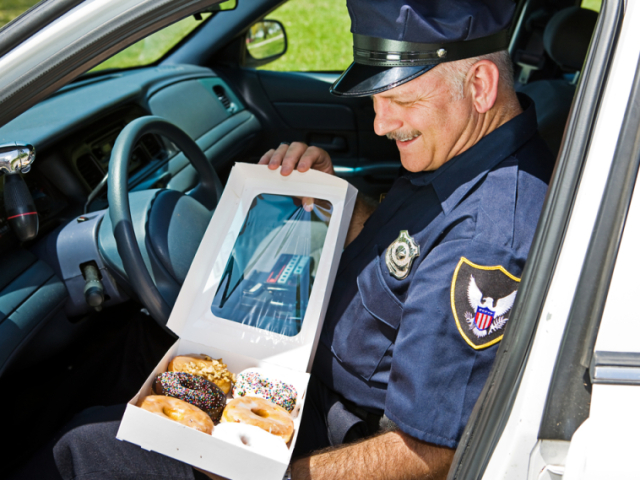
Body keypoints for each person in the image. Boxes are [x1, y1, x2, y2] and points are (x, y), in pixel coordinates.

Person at [52, 0, 554, 479]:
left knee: (87, 446)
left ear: (481, 84)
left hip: (327, 438)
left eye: (400, 99)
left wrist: (273, 475)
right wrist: (333, 196)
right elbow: (406, 253)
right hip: (298, 373)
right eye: (377, 101)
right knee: (130, 345)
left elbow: (431, 452)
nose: (381, 124)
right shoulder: (465, 155)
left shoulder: (486, 240)